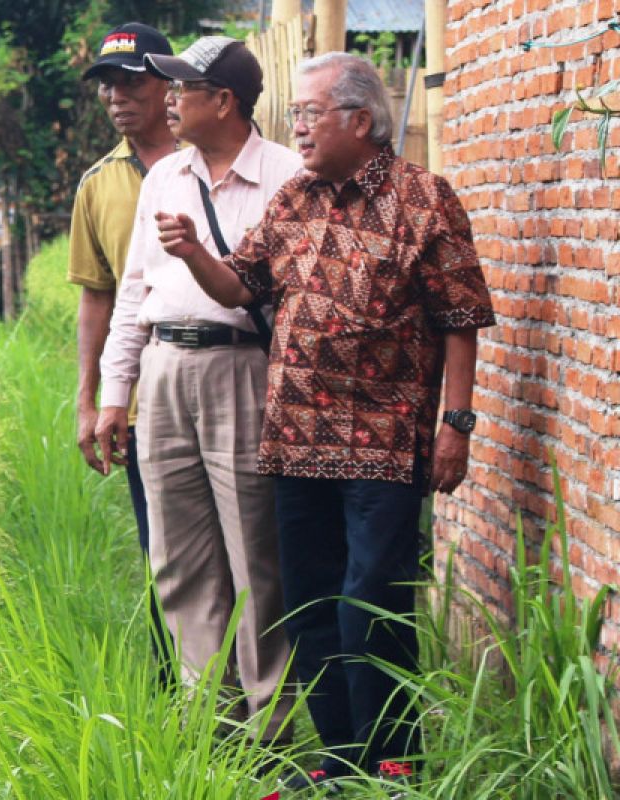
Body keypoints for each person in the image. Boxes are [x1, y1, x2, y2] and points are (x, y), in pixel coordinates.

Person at [159, 51, 495, 789]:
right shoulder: (293, 200)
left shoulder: (424, 199)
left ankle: (396, 758)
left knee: (369, 607)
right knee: (311, 608)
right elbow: (236, 284)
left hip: (385, 444)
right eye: (297, 115)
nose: (298, 128)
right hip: (294, 442)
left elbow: (460, 319)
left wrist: (456, 426)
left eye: (311, 113)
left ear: (361, 119)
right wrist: (191, 254)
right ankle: (341, 760)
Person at [95, 36, 301, 744]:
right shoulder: (165, 178)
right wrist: (114, 391)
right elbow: (133, 293)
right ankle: (208, 727)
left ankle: (271, 731)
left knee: (256, 554)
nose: (172, 102)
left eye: (185, 90)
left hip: (242, 370)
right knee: (179, 561)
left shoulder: (286, 176)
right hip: (163, 370)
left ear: (226, 102)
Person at [69, 22, 178, 689]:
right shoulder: (99, 184)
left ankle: (259, 698)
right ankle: (179, 691)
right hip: (139, 400)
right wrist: (88, 400)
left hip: (219, 377)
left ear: (167, 83)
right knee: (160, 548)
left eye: (132, 81)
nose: (118, 96)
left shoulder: (208, 162)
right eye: (108, 84)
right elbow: (96, 301)